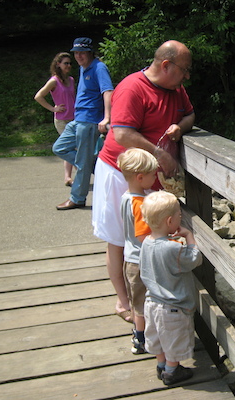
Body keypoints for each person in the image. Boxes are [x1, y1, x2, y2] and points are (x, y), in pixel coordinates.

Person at [92, 40, 195, 322]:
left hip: (151, 176)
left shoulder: (176, 90)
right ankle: (124, 303)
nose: (187, 76)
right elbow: (122, 134)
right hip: (119, 172)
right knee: (118, 238)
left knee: (149, 237)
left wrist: (180, 126)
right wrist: (160, 153)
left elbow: (190, 114)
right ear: (166, 65)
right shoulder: (132, 88)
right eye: (184, 69)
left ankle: (148, 297)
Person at [139, 190, 202, 386]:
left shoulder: (145, 243)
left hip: (151, 302)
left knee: (157, 337)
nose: (180, 219)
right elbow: (194, 259)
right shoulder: (172, 248)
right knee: (173, 340)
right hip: (172, 306)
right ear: (169, 222)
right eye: (179, 217)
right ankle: (172, 371)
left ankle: (161, 366)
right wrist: (189, 236)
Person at [53, 37, 113, 210]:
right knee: (59, 148)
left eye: (82, 52)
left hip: (90, 120)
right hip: (78, 119)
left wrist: (106, 117)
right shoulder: (83, 68)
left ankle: (77, 198)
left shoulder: (99, 68)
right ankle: (94, 167)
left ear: (90, 52)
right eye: (76, 53)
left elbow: (107, 91)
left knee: (82, 159)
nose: (78, 56)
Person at [117, 148, 159, 353]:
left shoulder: (127, 196)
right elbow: (143, 237)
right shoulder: (139, 203)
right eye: (153, 175)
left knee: (137, 301)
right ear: (140, 177)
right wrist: (165, 240)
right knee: (142, 303)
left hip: (130, 258)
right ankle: (141, 339)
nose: (156, 177)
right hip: (140, 260)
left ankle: (139, 334)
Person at [34, 52, 76, 186]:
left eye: (70, 63)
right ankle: (71, 176)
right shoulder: (54, 81)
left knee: (74, 147)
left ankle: (69, 177)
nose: (68, 66)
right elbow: (38, 96)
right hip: (62, 120)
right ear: (58, 64)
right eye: (65, 63)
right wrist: (53, 108)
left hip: (74, 118)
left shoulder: (71, 80)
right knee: (70, 147)